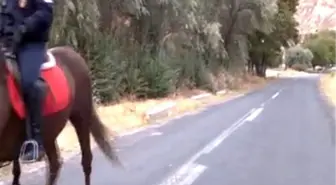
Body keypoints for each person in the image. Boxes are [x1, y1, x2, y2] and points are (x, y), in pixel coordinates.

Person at [1, 0, 54, 162]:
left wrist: (24, 27)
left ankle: (36, 141)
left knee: (29, 83)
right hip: (9, 43)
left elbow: (45, 14)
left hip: (31, 44)